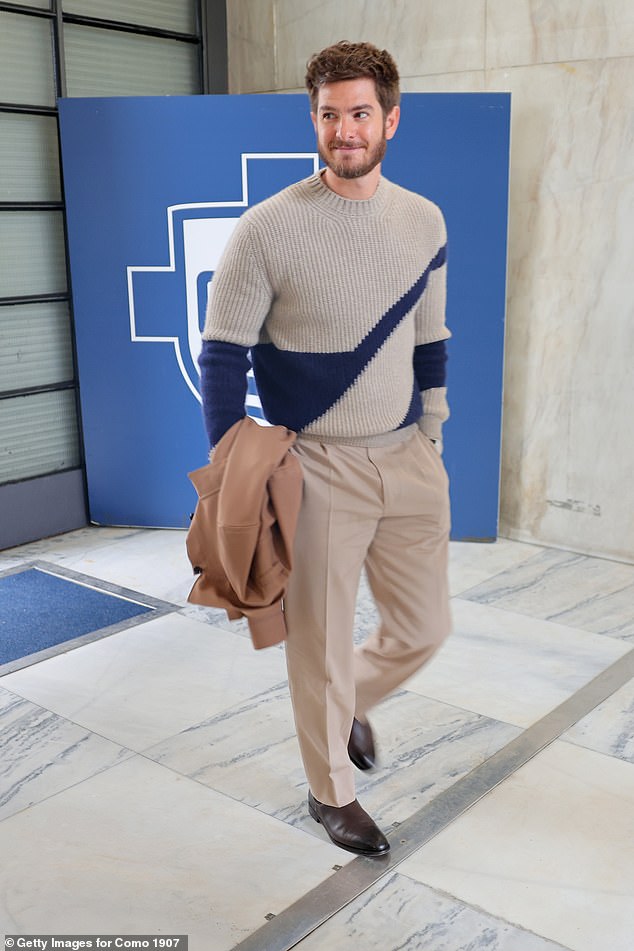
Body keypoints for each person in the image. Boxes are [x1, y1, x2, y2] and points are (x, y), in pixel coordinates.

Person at [198, 40, 452, 857]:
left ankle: (352, 704)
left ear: (391, 119)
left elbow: (431, 338)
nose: (345, 129)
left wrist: (434, 433)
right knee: (318, 642)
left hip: (409, 456)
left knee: (424, 627)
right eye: (330, 114)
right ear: (314, 119)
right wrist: (240, 468)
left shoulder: (424, 219)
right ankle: (329, 793)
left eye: (360, 113)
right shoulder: (266, 229)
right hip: (319, 466)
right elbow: (222, 355)